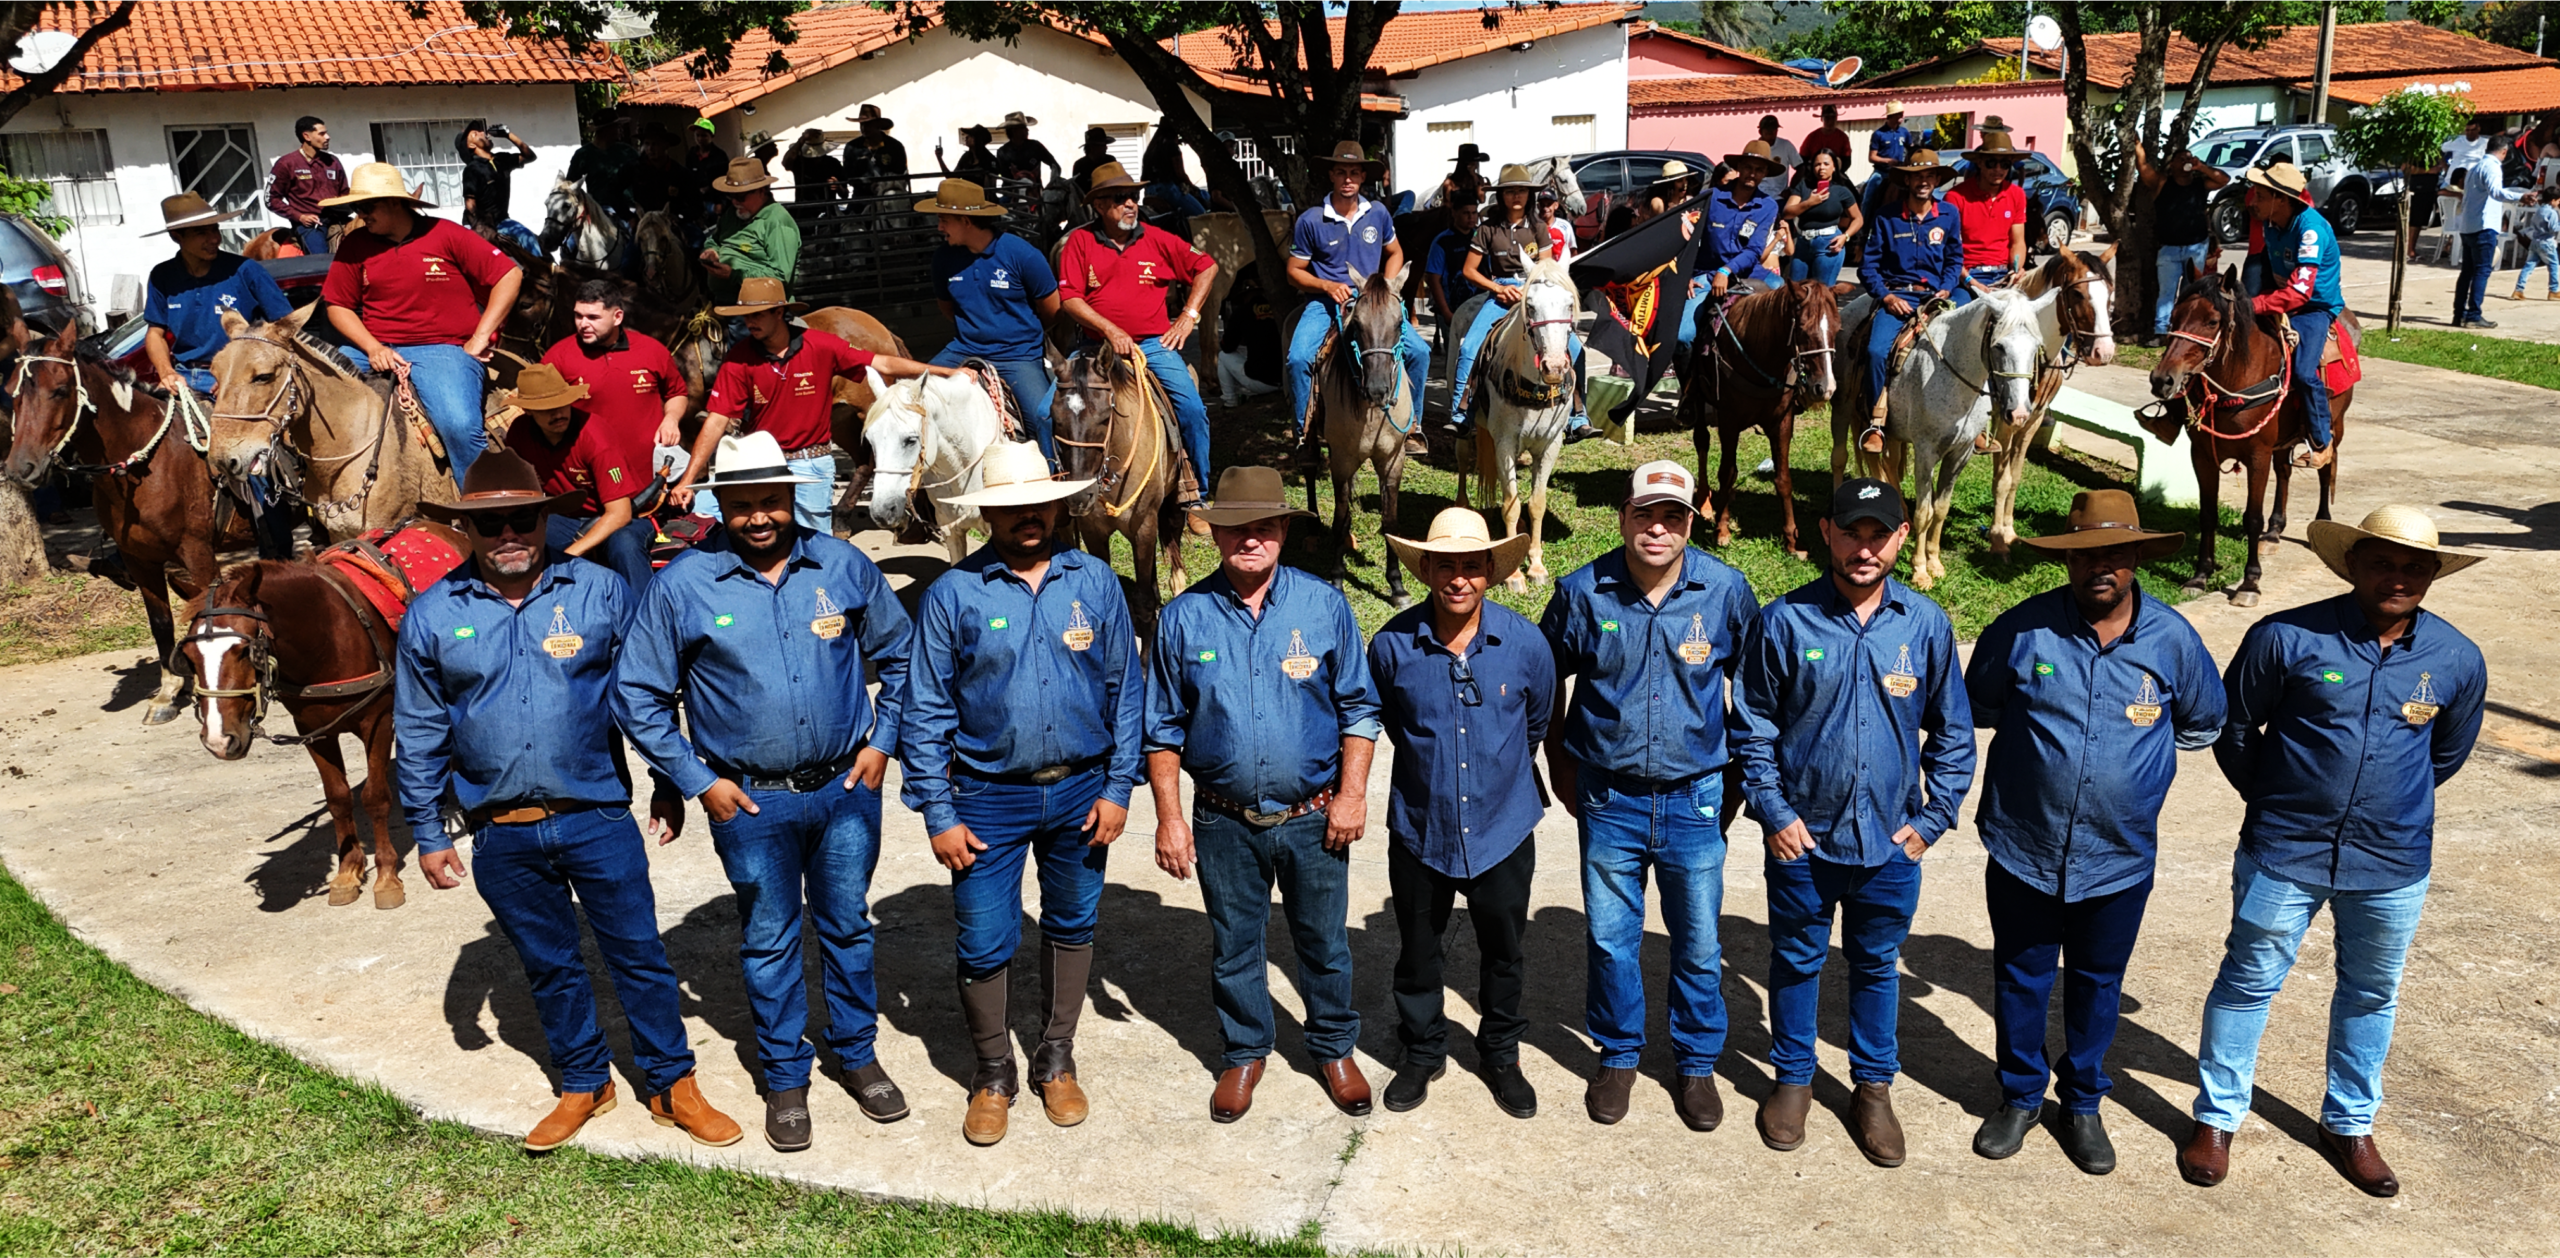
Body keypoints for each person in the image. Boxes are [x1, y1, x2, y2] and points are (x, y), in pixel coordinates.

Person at [394, 452, 742, 1154]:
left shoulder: (599, 592)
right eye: (491, 525)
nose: (509, 534)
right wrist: (429, 833)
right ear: (470, 531)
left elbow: (641, 699)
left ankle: (673, 1082)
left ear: (545, 519)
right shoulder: (434, 613)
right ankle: (585, 1082)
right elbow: (422, 729)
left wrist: (668, 782)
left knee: (638, 953)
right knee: (548, 963)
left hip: (597, 818)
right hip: (502, 832)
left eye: (522, 519)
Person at [611, 429, 917, 1150]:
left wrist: (883, 742)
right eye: (742, 505)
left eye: (770, 503)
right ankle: (785, 1076)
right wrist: (696, 780)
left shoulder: (841, 565)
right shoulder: (683, 583)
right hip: (749, 800)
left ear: (790, 498)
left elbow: (904, 659)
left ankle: (857, 1053)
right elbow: (637, 694)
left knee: (846, 923)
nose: (758, 518)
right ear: (723, 506)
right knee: (770, 936)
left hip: (846, 787)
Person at [2180, 505, 2488, 1199]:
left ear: (2433, 576)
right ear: (2352, 563)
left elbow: (2446, 754)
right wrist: (2275, 799)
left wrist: (2384, 805)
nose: (2398, 578)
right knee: (2248, 979)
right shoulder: (2287, 636)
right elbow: (2233, 724)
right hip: (2283, 852)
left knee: (2372, 991)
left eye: (2415, 567)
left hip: (2392, 863)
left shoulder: (2457, 659)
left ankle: (2348, 1124)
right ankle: (2217, 1118)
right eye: (2382, 561)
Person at [1963, 490, 2225, 1175]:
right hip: (2024, 845)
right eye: (2084, 555)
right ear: (2067, 562)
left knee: (2096, 980)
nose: (2098, 567)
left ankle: (2082, 1102)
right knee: (2020, 975)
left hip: (2118, 855)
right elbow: (1980, 707)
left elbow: (2202, 724)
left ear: (2136, 556)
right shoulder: (2021, 632)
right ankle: (2020, 1096)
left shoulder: (2173, 641)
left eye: (2113, 552)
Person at [901, 442, 1144, 1148]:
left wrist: (1119, 788)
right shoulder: (954, 594)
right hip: (986, 798)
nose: (1027, 517)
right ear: (987, 517)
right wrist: (938, 814)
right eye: (1009, 509)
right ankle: (992, 1073)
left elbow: (1125, 691)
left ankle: (1057, 1058)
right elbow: (924, 710)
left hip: (1081, 792)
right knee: (983, 938)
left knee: (1072, 922)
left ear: (1057, 504)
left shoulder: (1094, 582)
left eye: (1037, 504)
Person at [1732, 477, 1974, 1168]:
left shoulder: (1924, 625)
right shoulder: (1784, 622)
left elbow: (1953, 733)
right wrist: (1774, 813)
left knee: (1875, 965)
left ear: (1902, 538)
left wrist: (1932, 820)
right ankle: (1793, 1080)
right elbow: (1752, 728)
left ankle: (1872, 1089)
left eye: (1880, 533)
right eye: (1852, 532)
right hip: (1803, 841)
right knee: (1798, 959)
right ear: (1827, 534)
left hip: (1891, 844)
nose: (1865, 548)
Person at [1147, 466, 1382, 1122]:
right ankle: (1245, 1050)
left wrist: (1354, 795)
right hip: (1223, 820)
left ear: (1283, 531)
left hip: (1314, 815)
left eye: (1265, 527)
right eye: (1237, 529)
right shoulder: (1183, 618)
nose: (1252, 540)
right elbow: (1161, 731)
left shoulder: (1324, 606)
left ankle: (1335, 1046)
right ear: (1216, 536)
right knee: (1234, 943)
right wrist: (1170, 821)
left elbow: (1359, 709)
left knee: (1324, 942)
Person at [1540, 462, 1759, 1130]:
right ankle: (1619, 1055)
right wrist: (1559, 761)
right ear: (1623, 517)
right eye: (1645, 515)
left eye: (1673, 517)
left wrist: (1738, 783)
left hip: (1696, 795)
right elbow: (1546, 679)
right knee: (1611, 939)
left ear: (1692, 522)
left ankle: (1695, 1064)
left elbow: (1754, 694)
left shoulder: (1725, 591)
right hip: (1610, 798)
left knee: (1696, 941)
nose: (1657, 530)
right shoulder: (1584, 592)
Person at [1368, 506, 1556, 1119]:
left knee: (1505, 949)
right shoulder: (1393, 645)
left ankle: (1501, 1051)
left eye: (1471, 566)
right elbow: (1394, 726)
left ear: (1490, 573)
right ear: (1425, 568)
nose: (1458, 579)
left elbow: (1535, 723)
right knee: (1419, 950)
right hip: (1422, 828)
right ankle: (1422, 1049)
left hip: (1503, 827)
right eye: (1445, 566)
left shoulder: (1525, 642)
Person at [670, 277, 950, 535]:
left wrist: (944, 372)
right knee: (720, 518)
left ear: (779, 313)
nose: (748, 322)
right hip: (765, 463)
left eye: (756, 315)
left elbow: (882, 363)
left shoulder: (821, 345)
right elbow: (717, 419)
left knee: (813, 547)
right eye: (745, 316)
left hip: (812, 464)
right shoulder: (738, 359)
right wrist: (689, 479)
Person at [319, 162, 522, 487]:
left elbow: (510, 274)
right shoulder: (354, 245)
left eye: (367, 206)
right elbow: (337, 306)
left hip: (444, 350)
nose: (361, 214)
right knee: (305, 388)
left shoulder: (446, 233)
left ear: (394, 202)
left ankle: (486, 505)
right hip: (373, 347)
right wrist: (373, 347)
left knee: (458, 425)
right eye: (356, 207)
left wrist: (481, 337)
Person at [139, 191, 298, 558]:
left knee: (253, 462)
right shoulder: (163, 276)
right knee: (148, 447)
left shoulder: (245, 271)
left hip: (240, 381)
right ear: (177, 238)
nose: (214, 238)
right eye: (201, 233)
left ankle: (276, 548)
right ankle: (139, 541)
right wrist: (165, 373)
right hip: (185, 379)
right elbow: (154, 334)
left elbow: (283, 326)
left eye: (214, 229)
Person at [1056, 160, 1220, 496]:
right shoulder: (1079, 242)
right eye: (1120, 198)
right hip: (1093, 347)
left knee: (1192, 410)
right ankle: (1057, 492)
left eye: (1133, 195)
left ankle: (1196, 493)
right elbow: (1070, 298)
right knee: (1049, 411)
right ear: (1099, 206)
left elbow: (1207, 266)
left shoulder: (1159, 239)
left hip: (1152, 345)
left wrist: (1188, 315)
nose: (1131, 203)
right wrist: (1110, 330)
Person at [1283, 141, 1431, 454]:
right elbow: (1294, 271)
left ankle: (1414, 427)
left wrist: (1387, 287)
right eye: (1341, 172)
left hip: (1374, 301)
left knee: (1420, 352)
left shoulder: (1377, 213)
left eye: (1354, 172)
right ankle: (1305, 434)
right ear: (1332, 177)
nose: (1347, 178)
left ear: (1363, 177)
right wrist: (1325, 286)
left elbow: (1395, 252)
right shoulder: (1311, 219)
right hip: (1327, 302)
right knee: (1298, 358)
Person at [920, 177, 1064, 460]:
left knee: (1042, 415)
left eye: (944, 220)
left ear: (966, 220)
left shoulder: (1021, 254)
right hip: (964, 349)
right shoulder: (943, 259)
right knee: (913, 394)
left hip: (1018, 354)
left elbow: (1053, 309)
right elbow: (947, 309)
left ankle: (1054, 478)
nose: (939, 228)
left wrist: (1019, 334)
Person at [1450, 164, 1592, 441]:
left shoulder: (1539, 228)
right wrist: (1496, 288)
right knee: (1470, 346)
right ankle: (1461, 412)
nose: (1517, 196)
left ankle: (1578, 414)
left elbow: (1547, 269)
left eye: (1522, 191)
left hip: (1536, 292)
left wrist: (1532, 291)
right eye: (1510, 191)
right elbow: (1469, 270)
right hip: (1501, 292)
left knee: (1577, 350)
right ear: (1501, 195)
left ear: (1530, 195)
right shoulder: (1487, 228)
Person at [497, 363, 654, 599]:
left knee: (625, 544)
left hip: (622, 515)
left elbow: (619, 513)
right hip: (564, 517)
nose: (558, 413)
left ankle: (647, 615)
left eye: (562, 404)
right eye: (546, 408)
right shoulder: (520, 433)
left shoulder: (595, 436)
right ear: (528, 411)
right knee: (523, 536)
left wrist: (571, 553)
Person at [1853, 149, 1965, 456]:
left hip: (1937, 296)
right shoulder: (1886, 216)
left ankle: (1976, 421)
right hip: (1898, 296)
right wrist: (1886, 297)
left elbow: (1955, 259)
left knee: (1976, 333)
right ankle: (1876, 423)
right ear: (1907, 180)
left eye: (1929, 176)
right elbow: (1868, 266)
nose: (1923, 182)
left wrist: (1945, 287)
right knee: (1876, 351)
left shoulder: (1949, 214)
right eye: (1917, 176)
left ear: (1937, 180)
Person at [2236, 160, 2344, 470]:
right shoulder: (2272, 225)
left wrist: (2254, 306)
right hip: (2281, 299)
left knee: (2303, 371)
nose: (2252, 201)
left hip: (2313, 309)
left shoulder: (2310, 230)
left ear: (2281, 199)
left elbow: (2300, 293)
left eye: (2260, 195)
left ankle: (2322, 442)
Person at [541, 277, 690, 474]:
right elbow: (539, 410)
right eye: (578, 316)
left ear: (617, 317)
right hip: (587, 475)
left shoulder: (652, 350)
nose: (583, 324)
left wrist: (671, 419)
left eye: (593, 318)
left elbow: (676, 392)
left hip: (649, 475)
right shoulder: (558, 356)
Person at [1683, 140, 1787, 360]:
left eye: (1759, 170)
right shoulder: (1711, 197)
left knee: (1783, 299)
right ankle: (1690, 388)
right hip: (1706, 275)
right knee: (1683, 337)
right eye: (1748, 167)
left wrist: (1726, 270)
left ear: (1766, 173)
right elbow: (1686, 238)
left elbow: (1755, 250)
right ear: (1738, 168)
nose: (1752, 173)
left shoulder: (1768, 206)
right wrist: (1684, 275)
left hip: (1748, 273)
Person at [2138, 142, 2229, 344]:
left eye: (2189, 157)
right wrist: (2137, 146)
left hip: (2196, 246)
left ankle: (2187, 329)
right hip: (2168, 248)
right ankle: (2161, 332)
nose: (2186, 161)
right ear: (2171, 165)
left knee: (2192, 291)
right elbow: (2144, 169)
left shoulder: (2200, 184)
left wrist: (2202, 167)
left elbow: (2224, 180)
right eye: (2181, 158)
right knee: (2167, 292)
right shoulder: (2163, 183)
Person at [699, 157, 801, 311]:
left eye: (740, 197)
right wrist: (711, 251)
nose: (734, 202)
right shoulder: (732, 214)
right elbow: (714, 240)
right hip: (725, 305)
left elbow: (780, 276)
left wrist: (734, 275)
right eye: (731, 196)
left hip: (762, 311)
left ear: (761, 191)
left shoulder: (777, 221)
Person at [2449, 150, 2529, 329]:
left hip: (2468, 226)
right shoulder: (2492, 167)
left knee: (2467, 272)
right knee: (2482, 271)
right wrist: (2520, 196)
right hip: (2483, 227)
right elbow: (2496, 192)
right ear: (2503, 151)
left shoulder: (2475, 168)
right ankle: (2474, 315)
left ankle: (2459, 314)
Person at [1946, 129, 2029, 289]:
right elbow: (1949, 249)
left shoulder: (2017, 194)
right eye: (1991, 163)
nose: (1998, 169)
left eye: (2004, 164)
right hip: (1967, 276)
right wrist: (1970, 281)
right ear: (1980, 162)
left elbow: (2017, 242)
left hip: (2003, 274)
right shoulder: (1956, 196)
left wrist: (2016, 270)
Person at [265, 115, 347, 256]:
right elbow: (271, 199)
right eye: (322, 134)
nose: (328, 137)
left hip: (338, 220)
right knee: (323, 261)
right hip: (311, 226)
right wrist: (300, 216)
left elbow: (345, 193)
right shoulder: (286, 164)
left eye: (326, 133)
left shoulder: (333, 161)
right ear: (306, 136)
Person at [457, 118, 539, 255]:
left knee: (529, 239)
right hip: (477, 224)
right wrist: (483, 229)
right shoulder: (472, 169)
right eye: (475, 133)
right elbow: (470, 205)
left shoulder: (501, 160)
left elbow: (529, 156)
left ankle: (545, 273)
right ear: (471, 146)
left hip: (501, 221)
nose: (482, 133)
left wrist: (508, 134)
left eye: (481, 131)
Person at [1782, 148, 1863, 287]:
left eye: (1826, 164)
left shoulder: (1841, 190)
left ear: (1834, 167)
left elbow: (1858, 219)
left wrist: (1846, 236)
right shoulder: (1803, 186)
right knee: (1795, 291)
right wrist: (1809, 203)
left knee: (1822, 292)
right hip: (1803, 243)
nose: (1821, 168)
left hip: (1828, 243)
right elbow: (1787, 212)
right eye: (1817, 164)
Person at [1216, 269, 1283, 408]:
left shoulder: (1242, 312)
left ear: (1245, 295)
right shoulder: (1279, 309)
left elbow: (1227, 346)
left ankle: (1230, 400)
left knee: (1223, 356)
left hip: (1262, 382)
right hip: (1286, 380)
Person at [1421, 196, 1482, 329]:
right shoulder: (1442, 242)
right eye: (1466, 213)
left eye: (1474, 213)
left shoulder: (1482, 237)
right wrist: (1446, 313)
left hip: (1480, 310)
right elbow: (1433, 279)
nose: (1471, 217)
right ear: (1454, 213)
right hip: (1453, 311)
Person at [566, 113, 641, 219]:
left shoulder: (628, 151)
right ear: (606, 130)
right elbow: (571, 185)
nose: (620, 129)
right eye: (616, 127)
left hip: (629, 210)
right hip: (598, 210)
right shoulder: (583, 155)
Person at [2508, 191, 2558, 300]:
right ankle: (2554, 290)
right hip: (2547, 242)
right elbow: (2553, 228)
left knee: (2529, 265)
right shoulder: (2552, 213)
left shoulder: (2539, 210)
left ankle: (2518, 289)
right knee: (2554, 265)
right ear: (2553, 200)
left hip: (2535, 241)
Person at [994, 111, 1062, 188]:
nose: (1027, 130)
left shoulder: (1035, 146)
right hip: (1011, 193)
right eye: (1023, 128)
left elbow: (1054, 165)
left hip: (1035, 193)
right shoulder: (1003, 152)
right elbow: (1004, 176)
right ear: (1014, 130)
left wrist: (1052, 184)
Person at [684, 117, 730, 221]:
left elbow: (724, 180)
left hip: (715, 200)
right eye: (697, 135)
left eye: (704, 135)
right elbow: (687, 177)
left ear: (711, 136)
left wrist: (719, 202)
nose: (700, 139)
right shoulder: (691, 155)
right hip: (695, 200)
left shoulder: (720, 155)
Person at [781, 129, 845, 204]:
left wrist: (838, 187)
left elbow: (845, 194)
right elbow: (786, 163)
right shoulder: (799, 162)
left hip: (829, 210)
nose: (815, 159)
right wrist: (802, 140)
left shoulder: (833, 163)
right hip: (804, 210)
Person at [1752, 114, 1801, 202]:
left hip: (1779, 197)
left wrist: (1791, 188)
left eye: (1774, 131)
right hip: (1756, 196)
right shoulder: (1753, 147)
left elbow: (1801, 168)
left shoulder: (1786, 145)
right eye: (1768, 132)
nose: (1771, 135)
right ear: (1760, 131)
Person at [1802, 104, 1852, 175]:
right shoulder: (1812, 137)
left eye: (1833, 118)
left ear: (1836, 118)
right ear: (1822, 119)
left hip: (1836, 174)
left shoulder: (1843, 137)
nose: (1830, 121)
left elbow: (1847, 161)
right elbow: (1802, 159)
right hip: (1813, 173)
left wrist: (1836, 172)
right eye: (1827, 118)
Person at [1070, 125, 1115, 195]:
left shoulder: (1110, 160)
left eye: (1105, 145)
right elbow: (1076, 189)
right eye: (1102, 145)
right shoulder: (1080, 165)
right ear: (1092, 147)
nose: (1106, 148)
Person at [1536, 187, 1575, 264]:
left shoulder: (1565, 226)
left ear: (1556, 205)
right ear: (1538, 206)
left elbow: (1573, 251)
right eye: (1542, 205)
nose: (1545, 208)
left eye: (1549, 204)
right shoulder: (1532, 225)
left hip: (1560, 270)